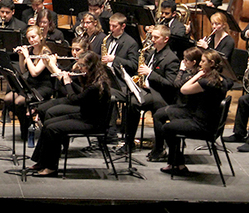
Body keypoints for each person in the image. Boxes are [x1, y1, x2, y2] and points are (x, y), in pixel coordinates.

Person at [30, 51, 112, 176]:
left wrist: (68, 83)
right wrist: (67, 80)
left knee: (53, 128)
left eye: (82, 66)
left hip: (92, 122)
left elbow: (74, 99)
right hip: (85, 115)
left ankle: (51, 167)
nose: (80, 68)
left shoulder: (97, 85)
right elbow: (82, 94)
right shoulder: (94, 79)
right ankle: (42, 161)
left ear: (90, 66)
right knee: (48, 123)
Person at [158, 49, 228, 175]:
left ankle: (178, 164)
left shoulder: (206, 82)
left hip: (201, 125)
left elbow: (184, 89)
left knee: (167, 128)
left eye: (203, 61)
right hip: (212, 123)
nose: (200, 64)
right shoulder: (223, 81)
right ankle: (175, 163)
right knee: (173, 122)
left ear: (211, 63)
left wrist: (198, 75)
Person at [123, 24, 179, 155]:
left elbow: (170, 84)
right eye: (152, 36)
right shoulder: (153, 52)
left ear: (165, 39)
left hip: (162, 95)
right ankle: (129, 142)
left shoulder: (172, 59)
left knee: (135, 103)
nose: (152, 39)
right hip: (149, 90)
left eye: (156, 37)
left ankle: (157, 148)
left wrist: (150, 73)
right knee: (130, 100)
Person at [5, 25, 55, 139]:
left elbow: (35, 72)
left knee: (19, 102)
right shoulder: (31, 50)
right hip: (31, 85)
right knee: (8, 99)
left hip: (43, 87)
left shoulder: (46, 52)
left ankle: (25, 127)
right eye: (29, 38)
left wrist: (27, 56)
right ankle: (27, 121)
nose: (31, 40)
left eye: (33, 37)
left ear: (40, 36)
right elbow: (23, 71)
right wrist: (21, 57)